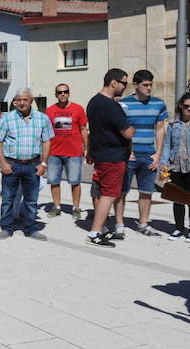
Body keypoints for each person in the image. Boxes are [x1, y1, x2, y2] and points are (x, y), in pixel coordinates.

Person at [0, 88, 54, 241]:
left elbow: (47, 141)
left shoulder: (42, 118)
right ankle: (7, 228)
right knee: (8, 199)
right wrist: (3, 163)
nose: (21, 103)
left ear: (31, 100)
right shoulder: (7, 118)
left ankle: (31, 228)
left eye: (25, 99)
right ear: (15, 101)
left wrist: (44, 164)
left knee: (31, 200)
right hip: (12, 164)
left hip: (33, 165)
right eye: (18, 99)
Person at [115, 70, 168, 237]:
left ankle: (143, 224)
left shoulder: (159, 103)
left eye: (151, 85)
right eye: (145, 85)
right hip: (129, 155)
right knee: (122, 191)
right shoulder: (123, 104)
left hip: (149, 156)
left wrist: (158, 154)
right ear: (135, 85)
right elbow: (120, 130)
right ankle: (119, 224)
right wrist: (127, 151)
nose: (149, 88)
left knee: (147, 192)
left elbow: (160, 129)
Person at [86, 68, 135, 247]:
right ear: (113, 82)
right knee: (109, 195)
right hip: (113, 157)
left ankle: (102, 229)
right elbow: (128, 133)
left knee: (102, 193)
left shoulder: (93, 102)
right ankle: (95, 233)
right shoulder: (111, 105)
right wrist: (133, 127)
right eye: (124, 83)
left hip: (101, 155)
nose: (125, 87)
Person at [45, 83, 88, 219]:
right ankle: (57, 207)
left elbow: (83, 129)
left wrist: (86, 148)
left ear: (69, 93)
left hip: (73, 152)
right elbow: (45, 132)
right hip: (54, 153)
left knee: (75, 181)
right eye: (60, 92)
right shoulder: (49, 111)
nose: (63, 94)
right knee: (53, 180)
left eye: (65, 91)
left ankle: (76, 208)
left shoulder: (78, 109)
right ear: (56, 95)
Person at [161, 91, 190, 241]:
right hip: (176, 167)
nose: (189, 109)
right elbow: (167, 145)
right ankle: (179, 228)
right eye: (186, 106)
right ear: (180, 106)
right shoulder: (173, 124)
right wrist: (164, 165)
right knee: (178, 199)